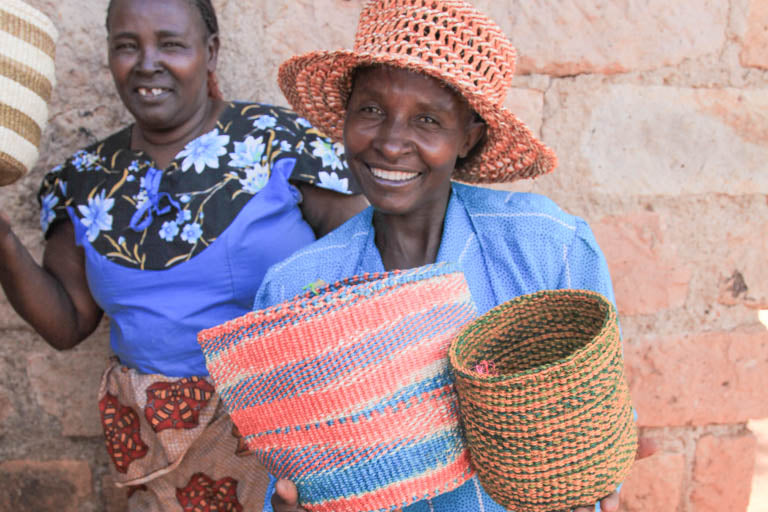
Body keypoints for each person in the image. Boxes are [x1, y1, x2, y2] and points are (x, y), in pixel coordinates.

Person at [248, 0, 655, 510]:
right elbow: (288, 484)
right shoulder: (296, 290)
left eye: (428, 120)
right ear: (347, 116)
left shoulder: (548, 249)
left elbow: (596, 455)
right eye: (371, 110)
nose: (392, 144)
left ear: (469, 137)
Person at [0, 0, 366, 509]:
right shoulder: (83, 181)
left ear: (210, 51)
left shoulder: (278, 146)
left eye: (170, 43)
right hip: (158, 456)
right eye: (127, 46)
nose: (147, 62)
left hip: (285, 441)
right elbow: (67, 324)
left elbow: (367, 270)